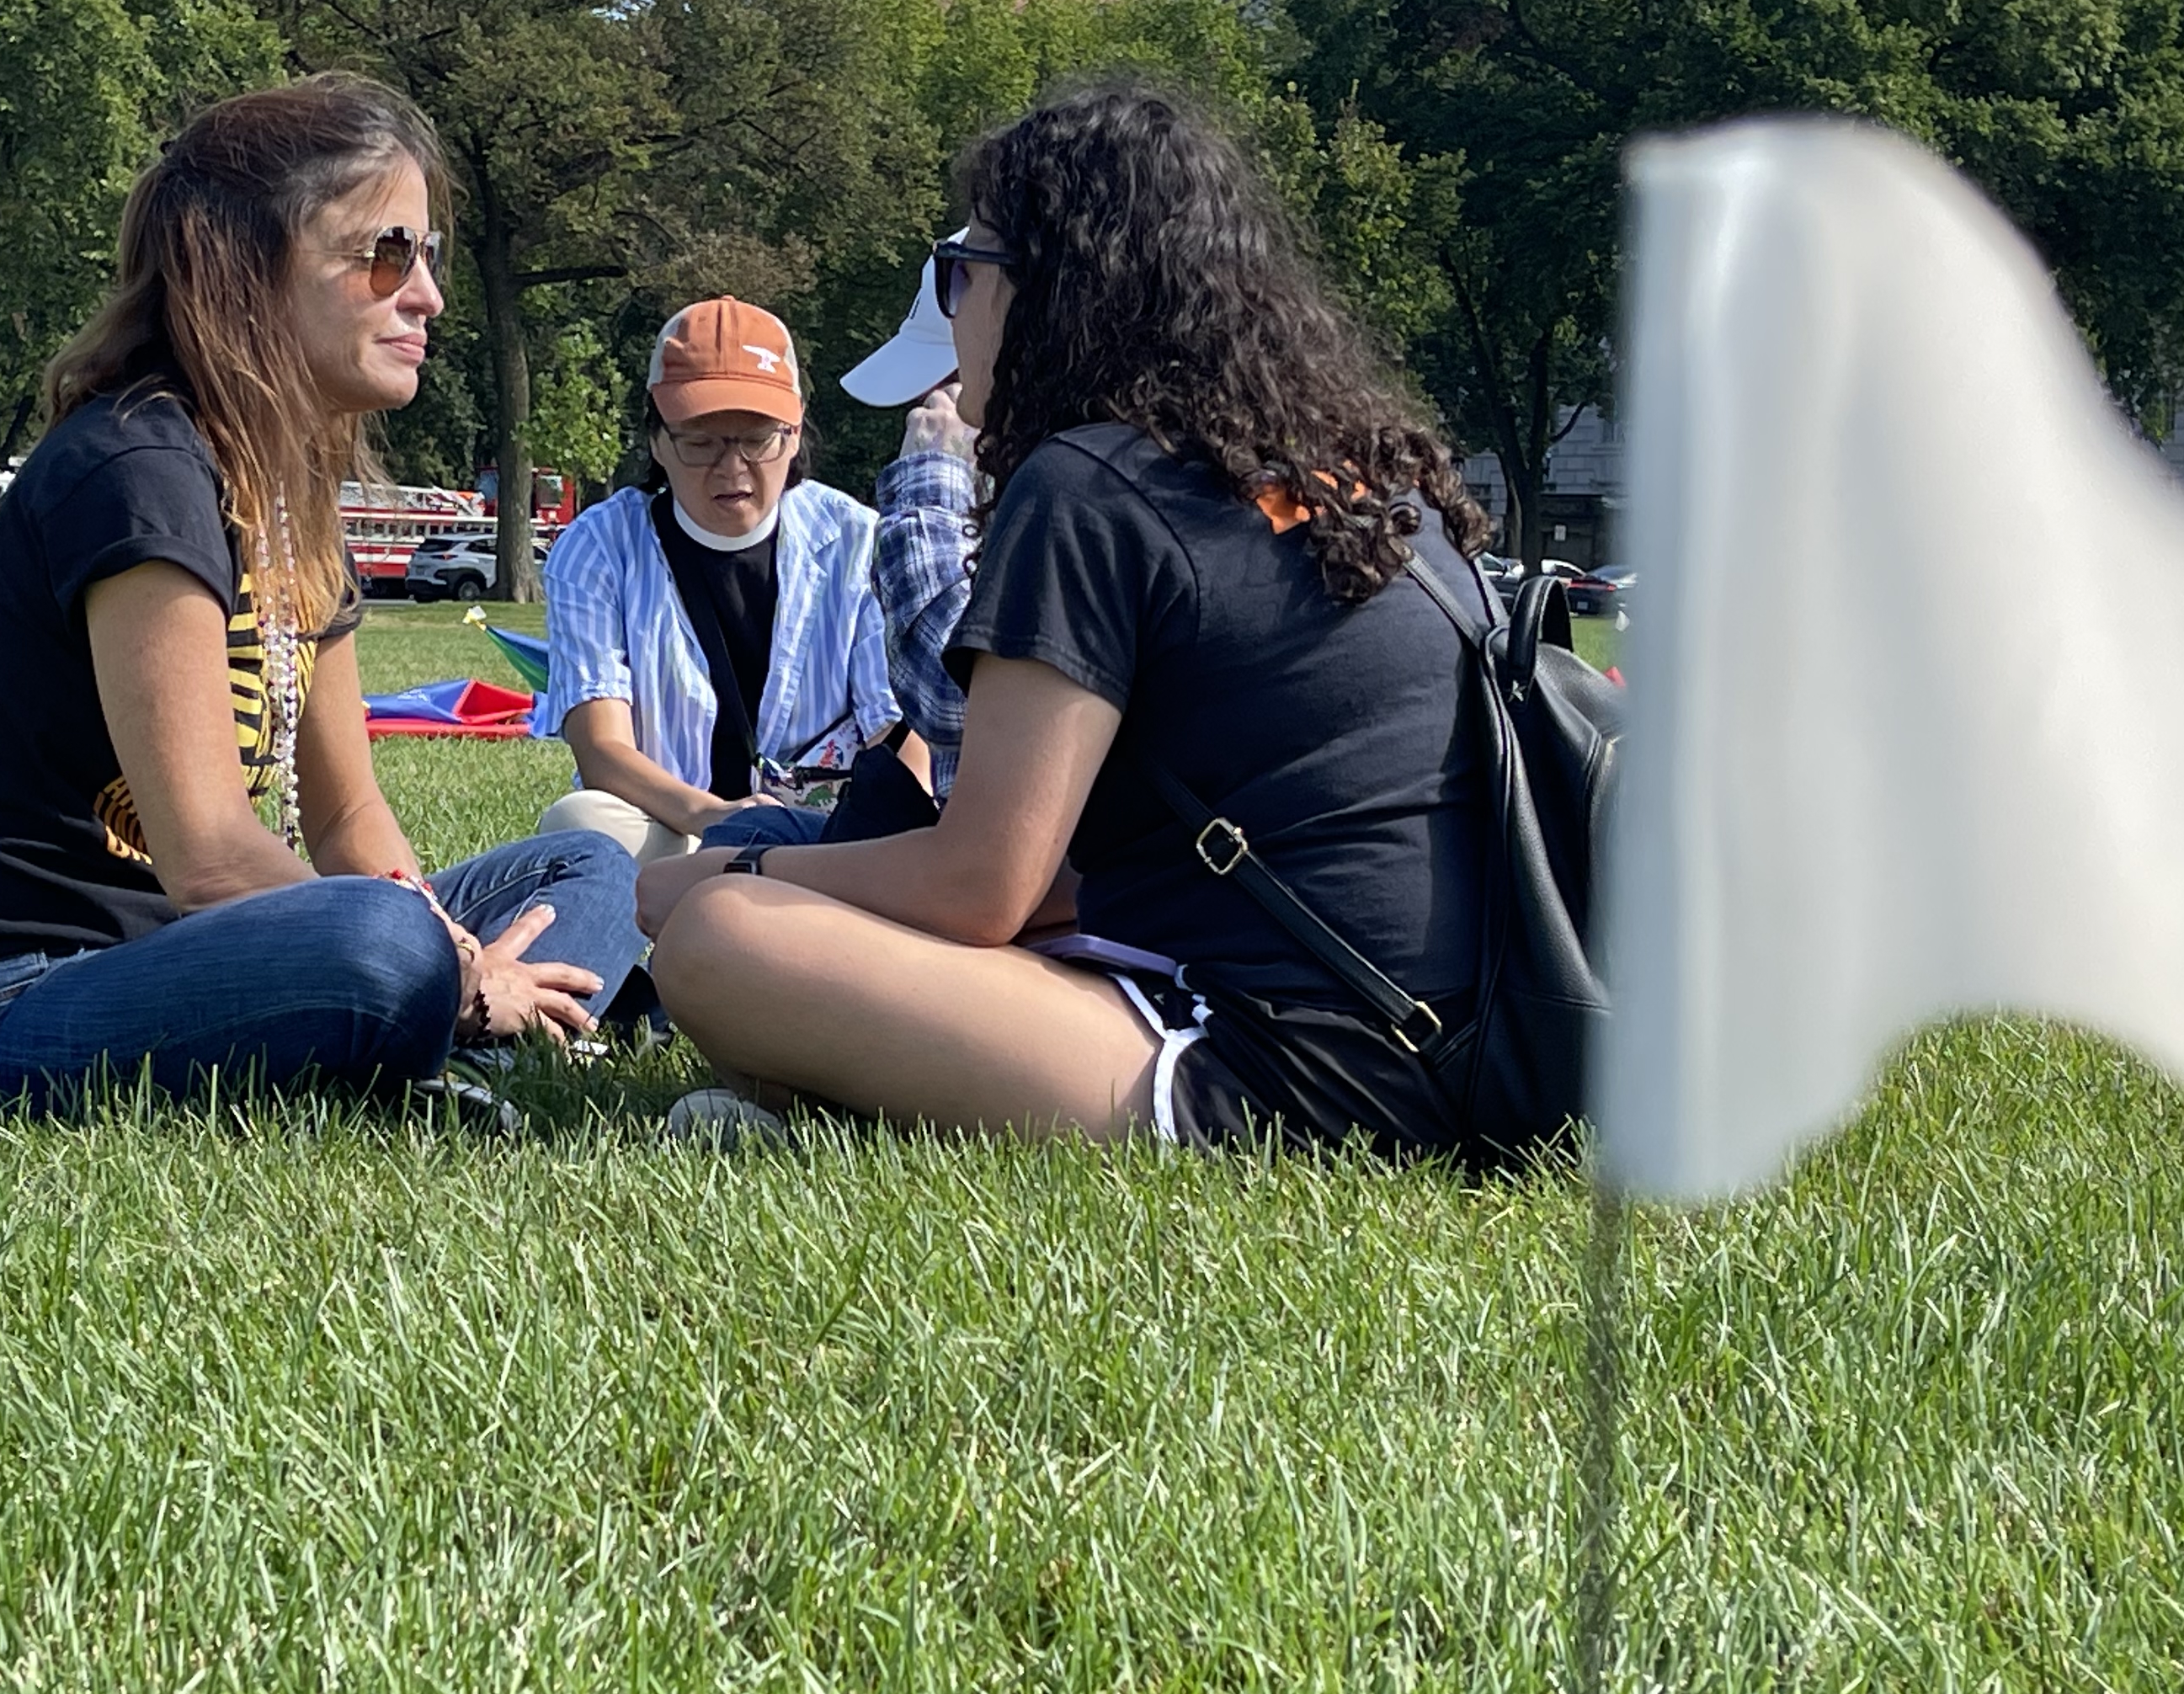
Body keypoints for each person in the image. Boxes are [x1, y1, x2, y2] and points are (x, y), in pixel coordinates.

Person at [638, 79, 1503, 1153]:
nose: (955, 306)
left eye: (965, 267)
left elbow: (981, 885)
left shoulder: (1090, 486)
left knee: (719, 941)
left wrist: (739, 871)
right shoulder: (1366, 478)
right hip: (1473, 1041)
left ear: (1051, 289)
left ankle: (840, 1098)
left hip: (1283, 1071)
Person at [0, 77, 642, 1112]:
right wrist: (456, 965)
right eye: (388, 254)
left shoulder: (291, 493)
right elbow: (212, 858)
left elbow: (350, 815)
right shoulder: (137, 467)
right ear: (247, 271)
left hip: (202, 957)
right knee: (379, 940)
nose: (428, 295)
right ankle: (458, 1026)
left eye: (430, 258)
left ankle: (456, 1035)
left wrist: (453, 957)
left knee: (590, 864)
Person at [531, 297, 902, 862]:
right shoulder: (598, 548)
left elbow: (895, 738)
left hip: (826, 840)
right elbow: (601, 748)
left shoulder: (859, 542)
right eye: (701, 442)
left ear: (795, 432)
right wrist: (717, 818)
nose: (731, 469)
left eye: (756, 439)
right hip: (677, 829)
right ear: (657, 440)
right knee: (579, 824)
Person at [844, 245, 983, 795]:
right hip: (965, 846)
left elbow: (952, 694)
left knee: (724, 881)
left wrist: (932, 475)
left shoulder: (1075, 491)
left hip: (1010, 871)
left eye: (949, 384)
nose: (924, 411)